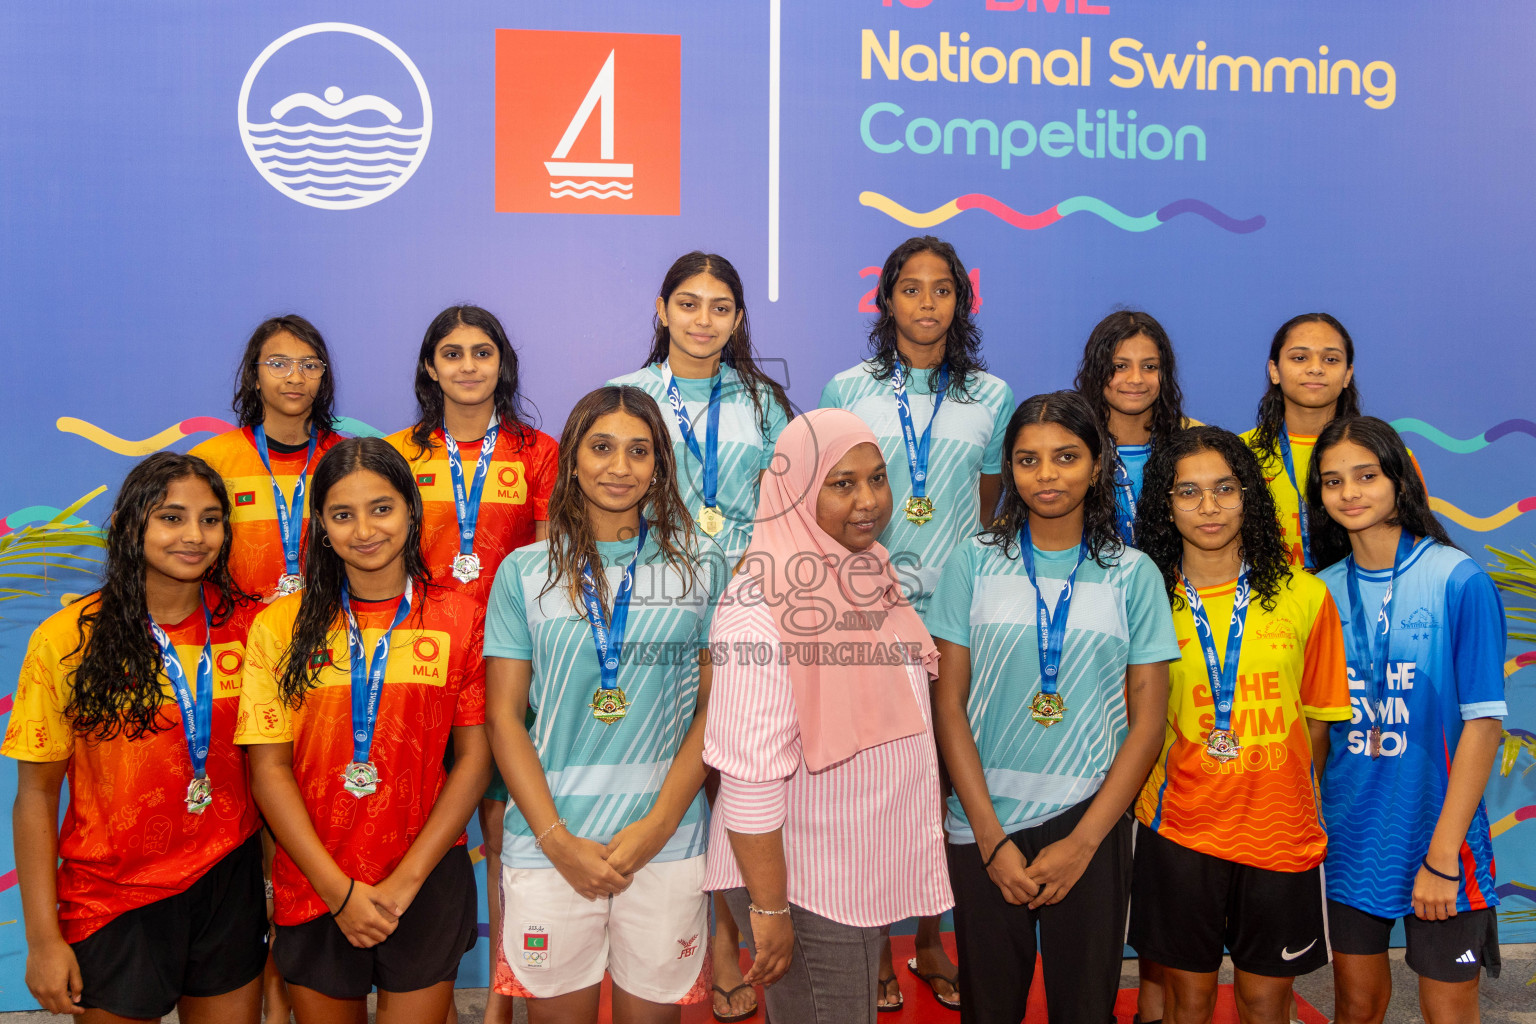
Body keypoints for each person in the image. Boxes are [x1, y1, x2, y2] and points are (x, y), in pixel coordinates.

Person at [928, 390, 1177, 1024]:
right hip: (984, 825)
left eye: (1066, 457)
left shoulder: (1134, 573)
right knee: (989, 1007)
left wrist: (1085, 841)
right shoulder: (972, 562)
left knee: (1085, 1008)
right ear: (1008, 470)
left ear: (1096, 466)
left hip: (1090, 822)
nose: (1046, 475)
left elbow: (1149, 724)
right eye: (1027, 460)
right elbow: (948, 704)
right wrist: (989, 840)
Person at [703, 407, 953, 1024]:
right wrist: (770, 910)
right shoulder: (759, 606)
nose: (868, 500)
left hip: (850, 869)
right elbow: (748, 777)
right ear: (795, 494)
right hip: (801, 881)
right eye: (841, 484)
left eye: (877, 477)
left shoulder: (866, 568)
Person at [820, 235, 1013, 1011]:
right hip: (868, 611)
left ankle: (930, 940)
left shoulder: (991, 396)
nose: (927, 303)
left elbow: (993, 503)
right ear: (887, 299)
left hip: (958, 615)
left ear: (961, 302)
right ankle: (870, 945)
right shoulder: (847, 387)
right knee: (872, 781)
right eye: (911, 288)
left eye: (942, 290)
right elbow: (831, 496)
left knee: (941, 783)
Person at [484, 386, 718, 1024]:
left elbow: (714, 710)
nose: (620, 467)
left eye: (639, 451)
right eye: (602, 448)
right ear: (573, 460)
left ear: (660, 466)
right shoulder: (525, 572)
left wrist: (658, 826)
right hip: (553, 842)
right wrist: (558, 842)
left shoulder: (701, 565)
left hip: (664, 842)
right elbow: (503, 719)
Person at [237, 438, 490, 1024]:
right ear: (321, 525)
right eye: (342, 514)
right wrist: (336, 890)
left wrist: (404, 883)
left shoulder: (460, 616)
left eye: (382, 508)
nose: (364, 529)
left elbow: (474, 760)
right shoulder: (279, 626)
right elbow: (267, 768)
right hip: (316, 875)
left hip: (424, 874)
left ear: (411, 510)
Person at [6, 452, 264, 1022]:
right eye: (171, 518)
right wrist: (44, 941)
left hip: (227, 879)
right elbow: (36, 797)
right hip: (113, 895)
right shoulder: (66, 640)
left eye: (211, 518)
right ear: (127, 524)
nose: (194, 536)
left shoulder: (252, 627)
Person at [607, 254, 792, 1023]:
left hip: (751, 605)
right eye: (688, 303)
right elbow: (611, 498)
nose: (703, 320)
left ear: (739, 319)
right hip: (660, 599)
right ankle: (716, 943)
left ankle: (764, 919)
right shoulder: (632, 395)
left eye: (720, 307)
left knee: (740, 771)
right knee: (681, 761)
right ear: (661, 309)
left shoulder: (764, 400)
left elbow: (790, 499)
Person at [1128, 426, 1351, 1024]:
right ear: (1164, 503)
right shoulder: (1145, 596)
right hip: (1178, 830)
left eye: (1225, 489)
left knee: (1264, 1003)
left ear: (1249, 495)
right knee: (1188, 1002)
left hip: (1278, 834)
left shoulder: (1305, 596)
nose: (1209, 507)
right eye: (1189, 492)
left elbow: (1318, 728)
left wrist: (1285, 793)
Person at [384, 304, 558, 1024]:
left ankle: (498, 1001)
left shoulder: (537, 451)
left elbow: (551, 564)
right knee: (428, 823)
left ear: (501, 363)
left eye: (481, 352)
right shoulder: (399, 451)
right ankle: (425, 986)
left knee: (505, 837)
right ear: (430, 366)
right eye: (451, 353)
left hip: (512, 665)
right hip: (419, 664)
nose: (466, 366)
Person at [1308, 416, 1505, 1024]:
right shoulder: (1320, 592)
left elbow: (1483, 725)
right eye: (1333, 481)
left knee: (1448, 1011)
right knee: (1357, 1006)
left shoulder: (1457, 579)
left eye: (1366, 476)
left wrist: (1443, 856)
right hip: (1350, 841)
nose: (1350, 493)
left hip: (1440, 839)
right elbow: (1314, 730)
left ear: (1398, 480)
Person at [190, 314, 345, 601]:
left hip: (333, 629)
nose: (296, 377)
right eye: (278, 364)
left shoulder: (348, 461)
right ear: (254, 377)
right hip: (234, 635)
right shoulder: (209, 461)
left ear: (323, 379)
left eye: (310, 366)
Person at [1241, 313, 1361, 572]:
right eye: (1299, 357)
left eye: (1330, 359)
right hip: (1267, 605)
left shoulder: (1382, 455)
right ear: (1274, 370)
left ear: (1347, 374)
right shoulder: (1238, 454)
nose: (1315, 368)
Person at [1073, 309, 1191, 548]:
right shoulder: (1071, 447)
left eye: (1149, 367)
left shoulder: (1190, 444)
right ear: (1096, 371)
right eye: (1120, 366)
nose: (1136, 378)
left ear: (1164, 374)